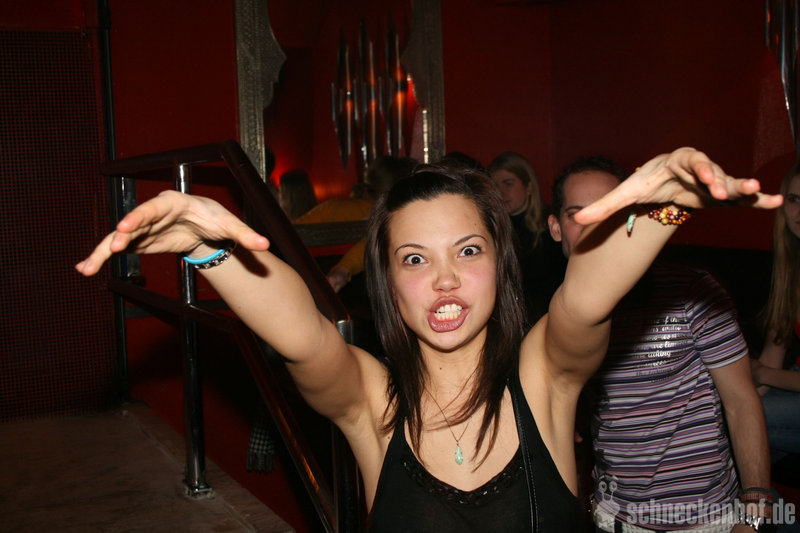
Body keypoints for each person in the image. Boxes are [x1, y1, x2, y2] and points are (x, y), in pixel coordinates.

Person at [76, 148, 780, 532]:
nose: (444, 279)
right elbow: (307, 339)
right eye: (414, 259)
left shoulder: (543, 378)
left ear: (500, 264)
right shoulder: (373, 404)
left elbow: (584, 301)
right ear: (388, 281)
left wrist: (661, 210)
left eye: (468, 251)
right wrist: (208, 248)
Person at [547, 156, 774, 532]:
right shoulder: (557, 318)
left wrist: (755, 514)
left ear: (633, 216)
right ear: (556, 228)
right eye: (578, 214)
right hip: (615, 519)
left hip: (708, 520)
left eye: (612, 209)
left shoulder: (692, 292)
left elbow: (741, 402)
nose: (596, 225)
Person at [753, 164, 800, 465]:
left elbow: (766, 370)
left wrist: (762, 374)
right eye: (794, 199)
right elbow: (774, 349)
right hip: (791, 381)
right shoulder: (790, 269)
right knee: (732, 412)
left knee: (753, 418)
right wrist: (745, 394)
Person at [487, 151, 565, 323]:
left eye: (508, 184)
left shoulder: (551, 228)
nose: (500, 192)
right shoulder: (490, 231)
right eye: (495, 186)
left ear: (529, 187)